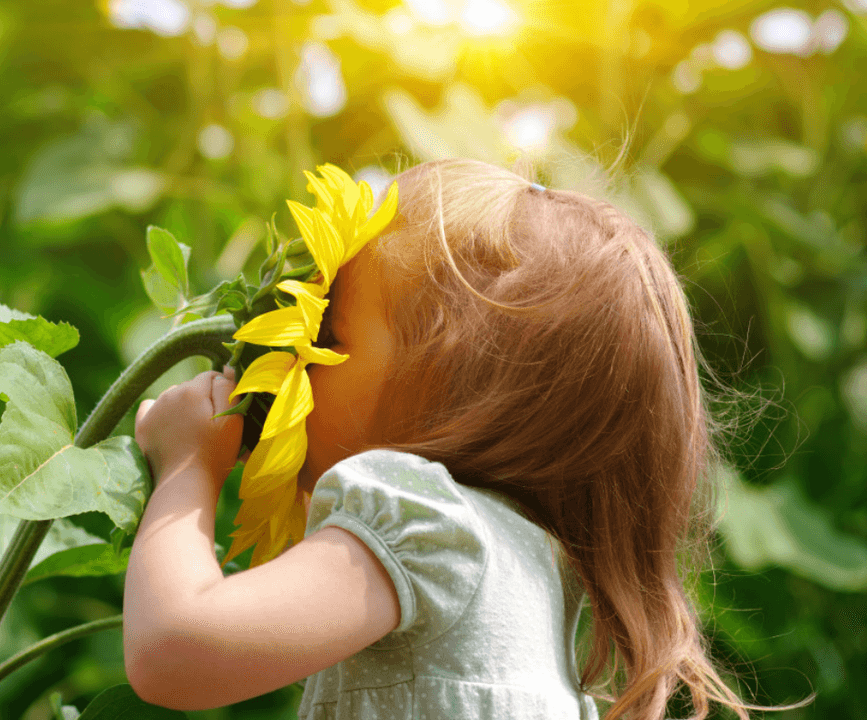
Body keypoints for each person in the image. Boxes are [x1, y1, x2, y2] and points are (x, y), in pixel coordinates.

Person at [122, 159, 776, 719]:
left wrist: (186, 470)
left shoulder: (421, 519)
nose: (303, 347)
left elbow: (175, 651)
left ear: (446, 388)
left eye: (329, 336)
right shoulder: (537, 577)